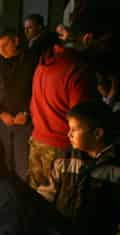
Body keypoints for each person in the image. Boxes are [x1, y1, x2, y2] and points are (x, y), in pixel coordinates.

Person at [38, 101, 120, 235]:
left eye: (75, 129)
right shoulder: (64, 160)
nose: (68, 134)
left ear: (98, 133)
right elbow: (44, 197)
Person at [28, 32, 93, 189]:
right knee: (60, 201)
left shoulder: (40, 68)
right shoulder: (75, 70)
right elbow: (81, 115)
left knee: (35, 198)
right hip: (61, 147)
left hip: (37, 141)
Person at [0, 28, 37, 180]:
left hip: (24, 121)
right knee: (1, 163)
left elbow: (36, 91)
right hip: (1, 121)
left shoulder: (30, 61)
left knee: (22, 166)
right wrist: (0, 113)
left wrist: (26, 113)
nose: (2, 50)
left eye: (5, 45)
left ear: (16, 41)